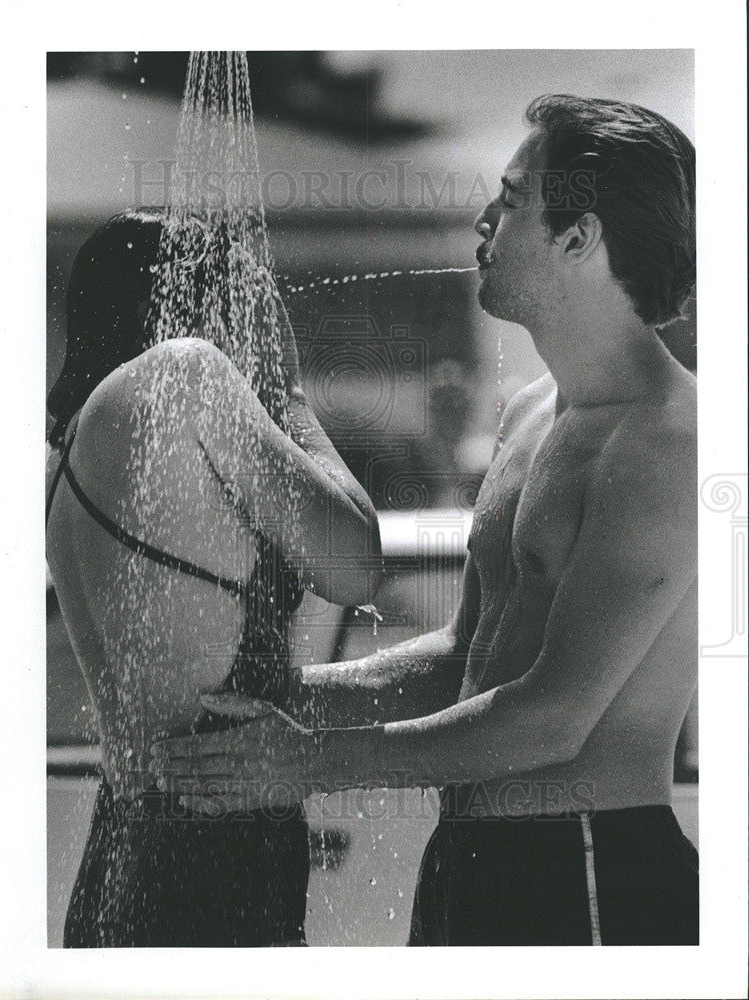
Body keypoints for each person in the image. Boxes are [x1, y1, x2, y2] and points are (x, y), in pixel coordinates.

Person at [151, 95, 699, 946]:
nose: (485, 216)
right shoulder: (529, 413)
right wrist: (270, 696)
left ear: (577, 237)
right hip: (466, 862)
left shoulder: (669, 442)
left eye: (512, 198)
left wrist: (306, 765)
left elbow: (554, 716)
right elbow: (460, 659)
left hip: (588, 866)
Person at [46, 207, 381, 947]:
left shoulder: (82, 436)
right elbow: (355, 564)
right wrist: (289, 390)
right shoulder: (186, 373)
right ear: (195, 298)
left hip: (128, 840)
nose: (266, 314)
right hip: (209, 848)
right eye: (254, 292)